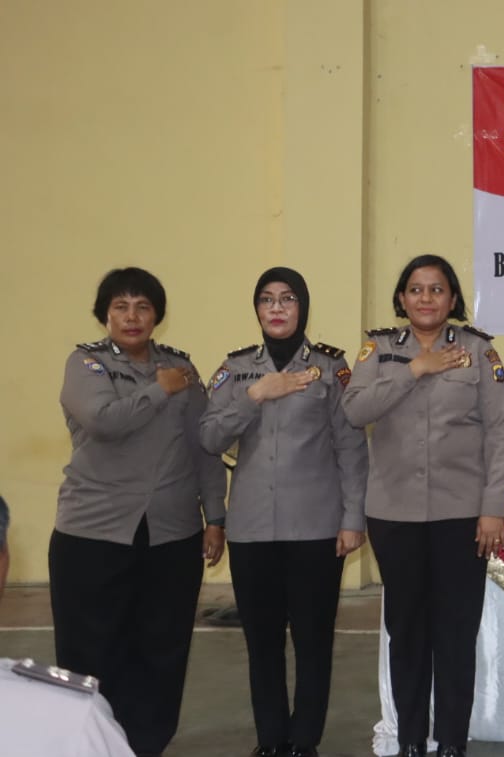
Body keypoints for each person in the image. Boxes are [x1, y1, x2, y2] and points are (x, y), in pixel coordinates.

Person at [343, 254, 504, 757]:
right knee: (407, 632)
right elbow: (354, 410)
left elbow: (500, 434)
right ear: (401, 298)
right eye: (416, 289)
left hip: (461, 515)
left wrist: (493, 508)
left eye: (436, 289)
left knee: (455, 633)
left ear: (452, 299)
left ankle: (453, 743)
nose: (425, 298)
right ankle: (412, 740)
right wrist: (415, 369)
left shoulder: (478, 351)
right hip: (394, 515)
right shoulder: (378, 350)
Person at [50, 267, 226, 757]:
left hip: (171, 534)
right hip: (93, 533)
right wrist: (158, 390)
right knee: (91, 649)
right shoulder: (86, 364)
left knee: (162, 648)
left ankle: (145, 744)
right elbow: (103, 420)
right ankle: (91, 745)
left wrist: (215, 517)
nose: (132, 317)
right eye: (121, 307)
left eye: (143, 307)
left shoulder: (182, 369)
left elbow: (204, 447)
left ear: (157, 316)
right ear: (105, 315)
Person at [199, 267, 369, 757]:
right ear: (256, 308)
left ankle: (304, 741)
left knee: (314, 642)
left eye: (287, 298)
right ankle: (271, 740)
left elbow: (351, 448)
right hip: (252, 528)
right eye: (267, 299)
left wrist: (353, 518)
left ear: (302, 307)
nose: (277, 308)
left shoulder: (330, 368)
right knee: (262, 643)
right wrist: (255, 396)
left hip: (316, 527)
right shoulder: (235, 370)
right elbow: (209, 437)